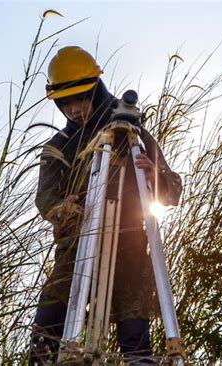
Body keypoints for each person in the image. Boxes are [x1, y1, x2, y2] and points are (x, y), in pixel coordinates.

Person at [29, 46, 182, 365]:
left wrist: (153, 176)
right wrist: (63, 208)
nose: (74, 108)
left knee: (136, 344)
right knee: (44, 339)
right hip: (75, 252)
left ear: (97, 90)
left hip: (128, 250)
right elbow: (45, 198)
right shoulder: (57, 147)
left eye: (81, 97)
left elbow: (172, 191)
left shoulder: (133, 135)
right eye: (65, 102)